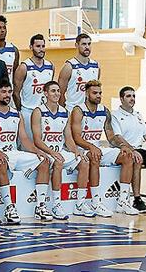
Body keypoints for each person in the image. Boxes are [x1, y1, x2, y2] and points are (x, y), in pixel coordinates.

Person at [0, 79, 53, 222]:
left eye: (9, 92)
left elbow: (24, 139)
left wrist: (37, 151)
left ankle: (40, 206)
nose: (7, 95)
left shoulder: (16, 114)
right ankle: (9, 208)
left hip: (14, 153)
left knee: (44, 161)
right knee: (1, 161)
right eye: (3, 92)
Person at [70, 80, 139, 217]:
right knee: (95, 155)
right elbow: (76, 137)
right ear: (86, 93)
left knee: (127, 156)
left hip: (97, 147)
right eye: (95, 93)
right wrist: (91, 147)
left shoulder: (104, 111)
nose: (98, 96)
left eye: (100, 93)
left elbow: (111, 136)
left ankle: (123, 201)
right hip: (81, 149)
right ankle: (96, 202)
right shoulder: (78, 110)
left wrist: (123, 146)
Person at [31, 81, 89, 220]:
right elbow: (37, 140)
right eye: (53, 91)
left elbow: (68, 137)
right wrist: (52, 152)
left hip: (60, 151)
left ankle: (80, 204)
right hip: (44, 152)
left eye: (58, 91)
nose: (57, 93)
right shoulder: (38, 112)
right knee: (58, 162)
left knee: (84, 162)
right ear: (45, 93)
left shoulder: (64, 112)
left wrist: (76, 151)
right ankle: (56, 204)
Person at [111, 86, 146, 213]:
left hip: (140, 148)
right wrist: (132, 150)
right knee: (137, 160)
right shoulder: (115, 116)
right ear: (121, 99)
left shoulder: (138, 115)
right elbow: (118, 137)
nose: (132, 99)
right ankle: (137, 199)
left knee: (141, 156)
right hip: (124, 150)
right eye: (128, 96)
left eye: (133, 96)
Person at [13, 34, 54, 140]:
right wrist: (20, 110)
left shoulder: (50, 66)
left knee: (45, 143)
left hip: (45, 112)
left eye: (43, 46)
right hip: (28, 111)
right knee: (28, 146)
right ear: (31, 47)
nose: (41, 49)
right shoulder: (23, 67)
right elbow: (16, 92)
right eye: (38, 46)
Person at [58, 33, 100, 112]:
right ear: (76, 45)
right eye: (84, 44)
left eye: (89, 44)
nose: (87, 47)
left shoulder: (96, 66)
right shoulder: (69, 67)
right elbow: (60, 93)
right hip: (72, 110)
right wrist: (64, 112)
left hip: (90, 112)